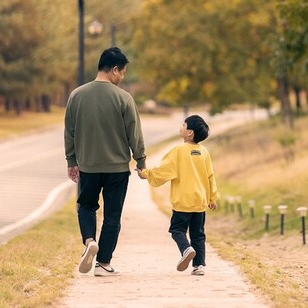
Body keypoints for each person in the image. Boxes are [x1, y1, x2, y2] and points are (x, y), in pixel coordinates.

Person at [64, 47, 146, 277]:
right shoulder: (124, 98)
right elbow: (135, 134)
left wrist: (72, 160)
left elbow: (69, 131)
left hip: (88, 166)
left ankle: (90, 240)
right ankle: (103, 262)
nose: (122, 78)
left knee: (86, 206)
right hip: (117, 169)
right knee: (112, 215)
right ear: (114, 69)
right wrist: (141, 161)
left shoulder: (76, 95)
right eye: (122, 73)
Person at [136, 114, 218, 276]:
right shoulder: (204, 152)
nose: (180, 126)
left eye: (183, 124)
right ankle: (199, 265)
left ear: (190, 133)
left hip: (183, 200)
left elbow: (163, 171)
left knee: (177, 229)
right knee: (198, 234)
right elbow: (210, 176)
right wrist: (212, 198)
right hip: (200, 201)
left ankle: (186, 249)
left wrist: (145, 173)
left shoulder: (178, 150)